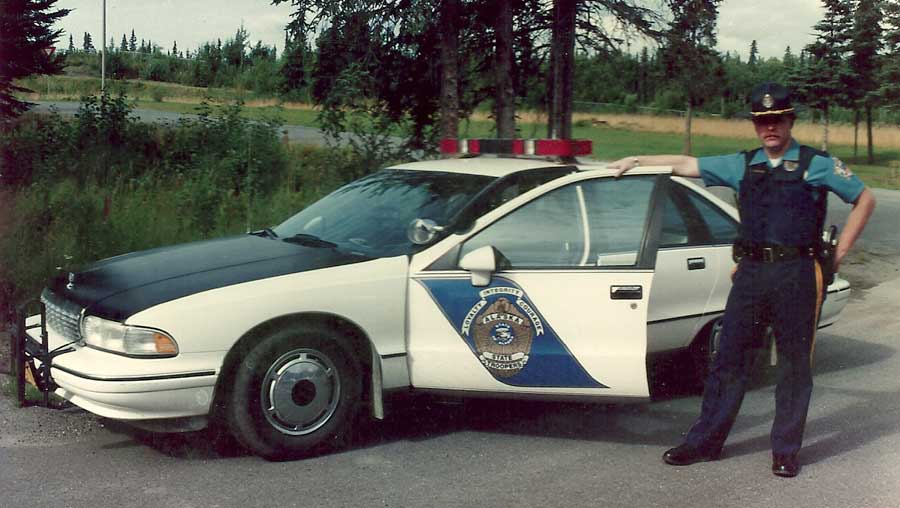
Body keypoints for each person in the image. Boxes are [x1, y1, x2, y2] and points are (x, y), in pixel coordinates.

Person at [608, 82, 876, 478]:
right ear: (755, 125)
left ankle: (785, 450)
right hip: (750, 274)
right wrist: (637, 158)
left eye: (777, 120)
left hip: (797, 274)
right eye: (762, 121)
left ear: (790, 121)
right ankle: (704, 442)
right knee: (728, 359)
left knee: (793, 365)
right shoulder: (742, 164)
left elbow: (865, 198)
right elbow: (686, 165)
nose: (770, 128)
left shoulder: (816, 163)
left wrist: (838, 253)